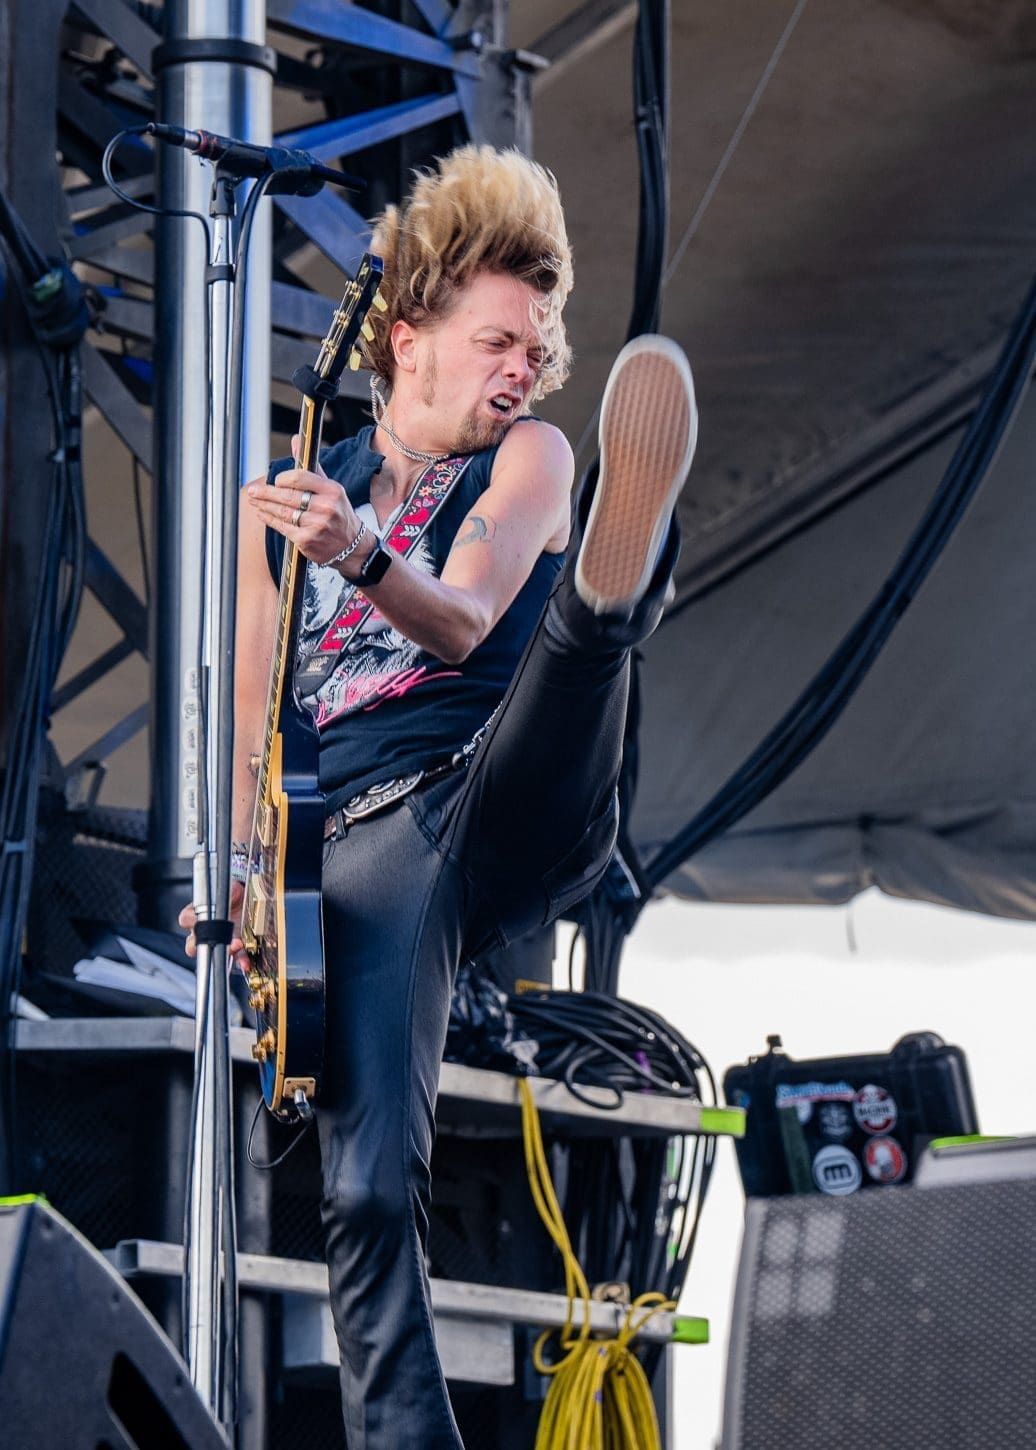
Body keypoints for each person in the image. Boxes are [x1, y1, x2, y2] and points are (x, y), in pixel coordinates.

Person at [182, 144, 697, 1449]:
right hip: (359, 848)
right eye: (497, 340)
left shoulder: (523, 457)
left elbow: (465, 621)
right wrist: (237, 887)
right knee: (361, 1193)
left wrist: (362, 554)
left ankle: (609, 598)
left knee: (567, 663)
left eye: (537, 345)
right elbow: (253, 733)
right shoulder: (293, 505)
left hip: (492, 780)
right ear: (408, 337)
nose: (524, 366)